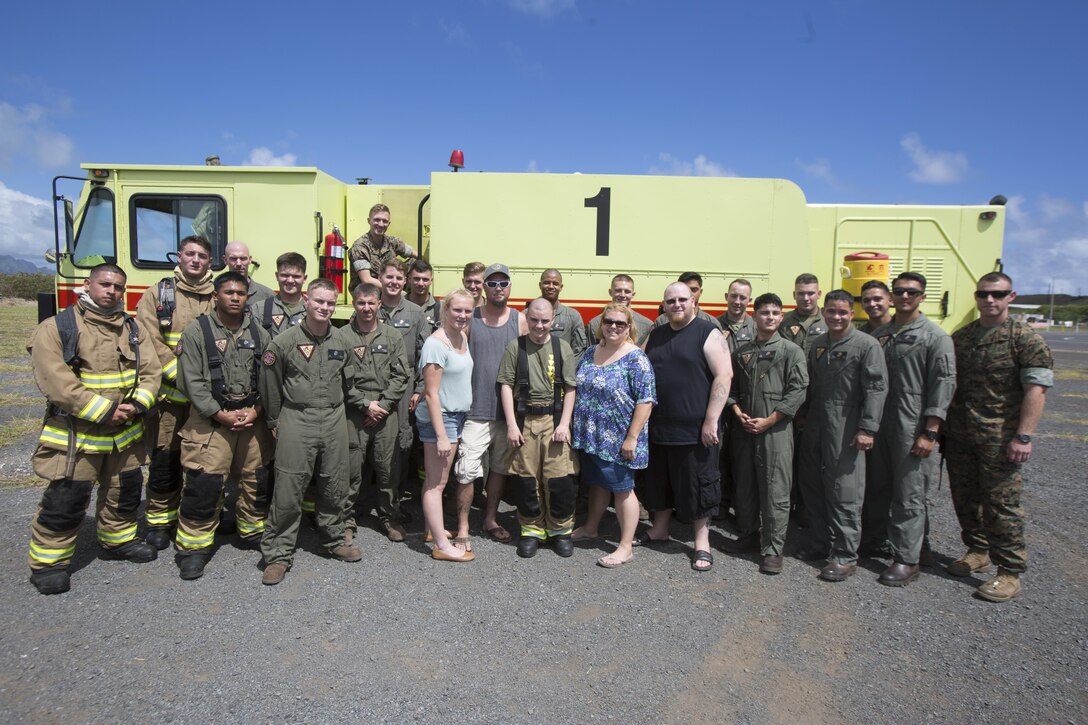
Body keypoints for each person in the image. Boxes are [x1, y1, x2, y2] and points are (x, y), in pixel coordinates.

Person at [26, 263, 161, 595]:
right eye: (105, 284)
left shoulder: (133, 329)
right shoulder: (57, 328)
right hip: (77, 434)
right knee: (67, 498)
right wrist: (106, 411)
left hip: (125, 432)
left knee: (125, 490)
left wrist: (138, 404)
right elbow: (56, 381)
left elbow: (152, 372)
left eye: (118, 287)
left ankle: (117, 540)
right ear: (88, 284)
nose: (111, 291)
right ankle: (49, 563)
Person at [944, 272, 1053, 602]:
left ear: (1011, 296)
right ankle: (977, 550)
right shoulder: (962, 338)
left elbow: (1036, 390)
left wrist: (1024, 436)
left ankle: (1009, 571)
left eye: (997, 294)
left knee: (1002, 505)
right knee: (964, 497)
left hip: (1000, 437)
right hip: (961, 434)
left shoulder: (1024, 339)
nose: (989, 300)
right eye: (983, 294)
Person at [259, 279, 361, 585]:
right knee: (289, 486)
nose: (325, 308)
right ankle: (278, 553)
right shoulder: (284, 342)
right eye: (319, 302)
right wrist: (277, 422)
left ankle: (333, 539)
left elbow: (349, 382)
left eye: (330, 303)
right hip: (296, 418)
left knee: (334, 482)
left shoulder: (342, 341)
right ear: (306, 300)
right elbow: (270, 387)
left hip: (333, 418)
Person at [173, 271, 274, 579]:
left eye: (240, 293)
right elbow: (191, 382)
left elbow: (271, 379)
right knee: (205, 483)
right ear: (215, 296)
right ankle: (193, 547)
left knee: (258, 479)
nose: (234, 297)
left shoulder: (260, 333)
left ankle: (251, 531)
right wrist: (220, 414)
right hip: (211, 422)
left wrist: (256, 411)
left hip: (251, 420)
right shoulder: (196, 333)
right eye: (228, 292)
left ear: (247, 298)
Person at [869, 272, 956, 587]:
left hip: (912, 425)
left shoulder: (935, 336)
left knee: (909, 494)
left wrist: (930, 431)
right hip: (879, 424)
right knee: (879, 489)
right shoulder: (881, 334)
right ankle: (885, 543)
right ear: (892, 296)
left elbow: (943, 384)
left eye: (912, 291)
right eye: (900, 291)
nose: (905, 296)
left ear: (922, 296)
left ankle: (908, 559)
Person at [639, 282, 732, 572]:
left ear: (694, 301)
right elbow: (636, 365)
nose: (677, 304)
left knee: (699, 486)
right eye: (670, 300)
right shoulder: (656, 335)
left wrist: (711, 419)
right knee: (660, 482)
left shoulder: (708, 332)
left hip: (695, 431)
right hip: (659, 428)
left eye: (682, 299)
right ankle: (659, 530)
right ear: (663, 305)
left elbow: (724, 376)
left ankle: (701, 542)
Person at [797, 290, 887, 582]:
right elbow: (811, 385)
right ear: (824, 311)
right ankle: (820, 542)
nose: (836, 317)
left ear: (851, 313)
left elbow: (876, 388)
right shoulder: (820, 344)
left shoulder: (866, 345)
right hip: (816, 425)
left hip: (847, 427)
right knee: (813, 486)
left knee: (845, 491)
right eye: (832, 312)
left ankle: (845, 555)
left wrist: (867, 428)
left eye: (843, 312)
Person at [135, 235, 215, 550]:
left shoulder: (217, 296)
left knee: (203, 465)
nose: (196, 260)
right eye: (190, 254)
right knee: (164, 461)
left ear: (210, 261)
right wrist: (181, 377)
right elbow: (147, 341)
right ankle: (159, 522)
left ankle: (198, 521)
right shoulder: (158, 294)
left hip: (205, 402)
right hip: (169, 398)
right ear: (179, 256)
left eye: (202, 256)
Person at [725, 293, 808, 574]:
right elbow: (732, 392)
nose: (769, 317)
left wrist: (771, 419)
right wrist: (738, 414)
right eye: (764, 312)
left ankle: (773, 549)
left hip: (776, 431)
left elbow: (798, 390)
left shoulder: (791, 351)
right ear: (755, 315)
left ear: (781, 317)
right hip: (745, 430)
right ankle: (748, 534)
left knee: (775, 489)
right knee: (745, 487)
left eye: (775, 312)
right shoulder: (743, 352)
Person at [571, 304, 656, 568]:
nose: (614, 327)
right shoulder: (589, 352)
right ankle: (591, 528)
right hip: (593, 435)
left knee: (622, 489)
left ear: (629, 327)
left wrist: (631, 438)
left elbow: (646, 400)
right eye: (609, 321)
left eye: (621, 323)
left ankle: (625, 546)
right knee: (598, 483)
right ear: (601, 324)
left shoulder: (636, 358)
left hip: (618, 437)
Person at [453, 263, 528, 544]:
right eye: (492, 283)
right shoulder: (470, 318)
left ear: (510, 287)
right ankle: (462, 527)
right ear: (483, 287)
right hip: (475, 410)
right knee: (466, 471)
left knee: (498, 469)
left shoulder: (519, 320)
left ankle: (490, 519)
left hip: (507, 415)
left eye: (503, 283)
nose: (498, 288)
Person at [499, 298, 580, 558]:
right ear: (527, 317)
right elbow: (505, 385)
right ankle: (531, 530)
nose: (539, 325)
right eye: (534, 320)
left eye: (545, 321)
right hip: (525, 421)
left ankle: (560, 531)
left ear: (553, 320)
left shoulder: (562, 347)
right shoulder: (516, 347)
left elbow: (570, 388)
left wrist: (565, 424)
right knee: (525, 480)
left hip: (554, 421)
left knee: (559, 480)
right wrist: (512, 424)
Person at [334, 283, 410, 543]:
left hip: (386, 413)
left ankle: (390, 516)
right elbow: (339, 380)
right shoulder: (341, 336)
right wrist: (365, 404)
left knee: (388, 468)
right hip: (354, 413)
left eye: (371, 303)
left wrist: (384, 405)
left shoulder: (392, 336)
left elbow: (401, 375)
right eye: (360, 303)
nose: (366, 308)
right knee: (350, 469)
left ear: (380, 304)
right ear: (353, 304)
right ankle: (346, 520)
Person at [416, 288, 477, 562]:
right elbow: (431, 394)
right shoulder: (436, 344)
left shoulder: (461, 336)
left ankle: (433, 530)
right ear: (445, 310)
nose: (462, 315)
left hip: (456, 417)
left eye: (467, 310)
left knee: (434, 480)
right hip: (442, 419)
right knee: (436, 484)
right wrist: (441, 435)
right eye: (457, 310)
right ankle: (441, 546)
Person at [376, 261, 427, 524]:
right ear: (380, 278)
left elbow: (425, 355)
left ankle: (393, 503)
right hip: (374, 383)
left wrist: (420, 388)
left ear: (404, 281)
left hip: (406, 385)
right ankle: (365, 500)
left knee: (402, 441)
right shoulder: (370, 306)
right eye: (389, 277)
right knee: (367, 441)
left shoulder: (416, 313)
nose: (394, 282)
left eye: (398, 278)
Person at [714, 278, 757, 520]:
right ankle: (719, 504)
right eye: (734, 296)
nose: (737, 301)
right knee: (719, 453)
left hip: (746, 402)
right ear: (726, 296)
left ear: (749, 300)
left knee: (743, 458)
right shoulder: (713, 324)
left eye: (743, 297)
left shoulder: (756, 326)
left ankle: (743, 510)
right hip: (720, 401)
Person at [347, 203, 416, 288]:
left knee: (416, 262)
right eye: (377, 220)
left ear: (389, 224)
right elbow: (366, 280)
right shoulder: (360, 246)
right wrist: (397, 291)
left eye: (385, 221)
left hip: (389, 289)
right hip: (368, 294)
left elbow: (416, 254)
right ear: (369, 221)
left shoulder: (392, 241)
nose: (381, 224)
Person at [586, 274, 654, 344]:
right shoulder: (595, 324)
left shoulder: (647, 326)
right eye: (618, 290)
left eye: (627, 291)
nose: (622, 295)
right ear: (610, 292)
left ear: (633, 295)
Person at [251, 252, 307, 337]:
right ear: (277, 276)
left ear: (304, 278)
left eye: (296, 276)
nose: (290, 280)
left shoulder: (314, 310)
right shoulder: (259, 309)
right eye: (285, 275)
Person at [536, 269, 588, 357]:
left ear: (561, 287)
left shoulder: (573, 316)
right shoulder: (526, 316)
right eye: (547, 282)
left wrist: (567, 369)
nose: (551, 286)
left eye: (555, 283)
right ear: (540, 285)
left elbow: (578, 351)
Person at [652, 272, 722, 330]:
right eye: (685, 289)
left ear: (700, 292)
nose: (690, 293)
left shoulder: (712, 322)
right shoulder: (662, 321)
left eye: (694, 289)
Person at [779, 273, 828, 354]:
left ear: (819, 294)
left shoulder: (828, 321)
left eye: (810, 293)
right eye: (801, 293)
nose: (806, 298)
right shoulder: (782, 321)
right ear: (794, 295)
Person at [407, 258, 442, 332]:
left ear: (431, 281)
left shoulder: (440, 308)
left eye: (425, 279)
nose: (420, 283)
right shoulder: (398, 305)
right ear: (409, 279)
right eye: (417, 279)